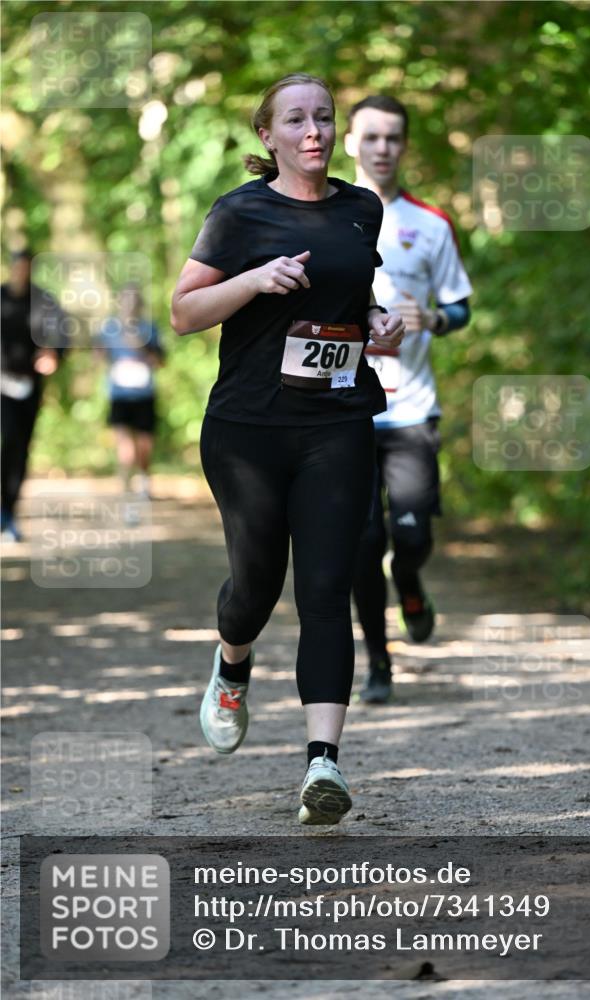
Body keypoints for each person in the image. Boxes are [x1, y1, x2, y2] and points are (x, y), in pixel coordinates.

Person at [170, 74, 404, 825]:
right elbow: (183, 312)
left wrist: (378, 321)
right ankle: (231, 663)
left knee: (326, 589)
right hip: (247, 431)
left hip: (336, 422)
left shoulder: (360, 208)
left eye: (324, 118)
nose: (314, 131)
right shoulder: (238, 212)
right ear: (267, 136)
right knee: (256, 587)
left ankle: (322, 765)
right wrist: (253, 279)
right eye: (296, 120)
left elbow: (351, 298)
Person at [344, 95, 473, 703]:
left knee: (411, 539)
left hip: (412, 410)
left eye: (393, 138)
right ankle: (378, 663)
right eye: (371, 137)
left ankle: (411, 582)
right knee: (363, 543)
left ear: (404, 146)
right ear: (350, 143)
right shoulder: (325, 217)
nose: (382, 148)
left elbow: (461, 306)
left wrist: (436, 320)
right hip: (344, 411)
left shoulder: (432, 224)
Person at [1, 249, 66, 541]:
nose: (22, 273)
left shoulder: (44, 301)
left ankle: (8, 513)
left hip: (28, 386)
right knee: (7, 440)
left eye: (27, 268)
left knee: (19, 447)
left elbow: (63, 333)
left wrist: (54, 354)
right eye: (18, 267)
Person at [98, 283, 164, 499]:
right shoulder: (108, 328)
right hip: (119, 393)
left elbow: (160, 361)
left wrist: (140, 346)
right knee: (124, 444)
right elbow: (98, 356)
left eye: (134, 299)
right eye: (126, 299)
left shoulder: (150, 328)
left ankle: (144, 480)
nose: (130, 304)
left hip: (144, 393)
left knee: (144, 444)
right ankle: (125, 485)